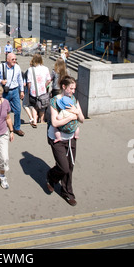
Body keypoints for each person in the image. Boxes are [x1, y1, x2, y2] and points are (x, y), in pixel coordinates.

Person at [46, 75, 84, 206]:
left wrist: (76, 112)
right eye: (71, 88)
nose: (73, 91)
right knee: (63, 167)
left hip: (71, 137)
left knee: (70, 167)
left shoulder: (74, 100)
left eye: (74, 88)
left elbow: (82, 119)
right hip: (57, 138)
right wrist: (72, 116)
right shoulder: (55, 101)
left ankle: (67, 193)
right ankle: (51, 176)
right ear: (64, 87)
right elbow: (55, 122)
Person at [0, 52, 25, 136]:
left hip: (15, 91)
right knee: (3, 110)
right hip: (5, 91)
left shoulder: (17, 67)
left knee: (18, 109)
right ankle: (3, 127)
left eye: (15, 59)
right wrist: (1, 81)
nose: (14, 61)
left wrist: (22, 91)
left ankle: (17, 128)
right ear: (7, 60)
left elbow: (20, 80)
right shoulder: (1, 66)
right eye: (12, 59)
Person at [27, 53, 51, 124]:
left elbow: (29, 82)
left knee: (34, 106)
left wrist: (28, 90)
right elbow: (49, 79)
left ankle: (35, 120)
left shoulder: (30, 69)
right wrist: (44, 85)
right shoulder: (45, 68)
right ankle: (42, 120)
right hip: (42, 91)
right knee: (42, 106)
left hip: (34, 91)